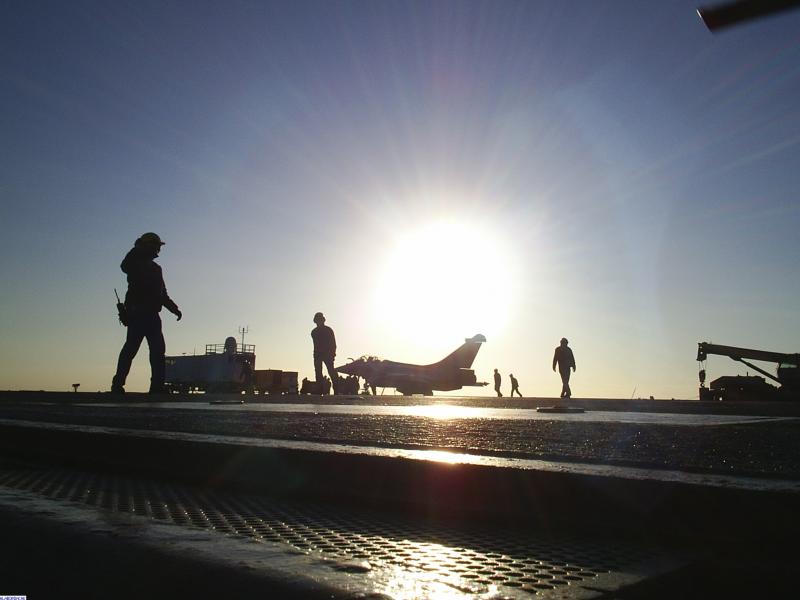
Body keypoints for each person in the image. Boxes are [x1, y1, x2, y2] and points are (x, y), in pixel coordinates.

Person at [111, 232, 182, 394]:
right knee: (130, 349)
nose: (159, 250)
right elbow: (124, 266)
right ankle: (117, 384)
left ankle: (157, 387)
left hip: (152, 316)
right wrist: (138, 247)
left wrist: (174, 309)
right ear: (149, 246)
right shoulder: (134, 262)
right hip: (137, 313)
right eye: (157, 246)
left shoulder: (156, 269)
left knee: (158, 352)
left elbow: (162, 294)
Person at [311, 312, 337, 394]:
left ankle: (337, 389)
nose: (319, 322)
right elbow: (316, 345)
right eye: (317, 320)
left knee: (331, 371)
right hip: (318, 355)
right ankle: (319, 390)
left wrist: (332, 354)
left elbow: (333, 343)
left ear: (323, 320)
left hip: (327, 354)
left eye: (320, 320)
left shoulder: (328, 330)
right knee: (318, 372)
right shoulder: (314, 332)